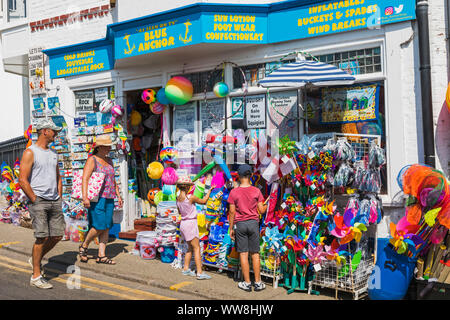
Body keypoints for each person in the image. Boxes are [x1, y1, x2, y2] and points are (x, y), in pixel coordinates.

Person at [19, 118, 64, 289]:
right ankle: (36, 275)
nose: (56, 133)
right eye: (54, 131)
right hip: (38, 200)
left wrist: (59, 196)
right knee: (41, 237)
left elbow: (58, 177)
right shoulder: (30, 152)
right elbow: (22, 180)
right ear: (45, 131)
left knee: (57, 236)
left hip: (54, 200)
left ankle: (34, 259)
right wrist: (34, 199)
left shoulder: (53, 154)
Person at [78, 135, 123, 265]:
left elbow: (112, 180)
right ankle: (84, 245)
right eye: (107, 146)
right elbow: (85, 179)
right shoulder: (92, 160)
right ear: (100, 147)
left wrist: (118, 195)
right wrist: (85, 197)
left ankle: (101, 255)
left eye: (110, 146)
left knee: (107, 226)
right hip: (97, 198)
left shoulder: (110, 161)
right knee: (99, 225)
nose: (109, 148)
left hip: (109, 197)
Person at [228, 164, 268, 292]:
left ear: (238, 177)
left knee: (243, 254)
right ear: (251, 175)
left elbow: (232, 212)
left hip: (240, 225)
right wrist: (267, 205)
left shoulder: (234, 192)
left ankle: (246, 282)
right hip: (253, 224)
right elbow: (261, 210)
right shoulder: (257, 191)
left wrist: (231, 228)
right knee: (255, 254)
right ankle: (257, 282)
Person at [176, 175, 214, 280]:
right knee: (197, 248)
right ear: (188, 187)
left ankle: (186, 268)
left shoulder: (177, 199)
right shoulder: (191, 197)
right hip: (191, 224)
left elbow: (180, 212)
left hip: (183, 224)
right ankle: (200, 273)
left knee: (190, 248)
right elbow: (204, 201)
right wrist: (209, 191)